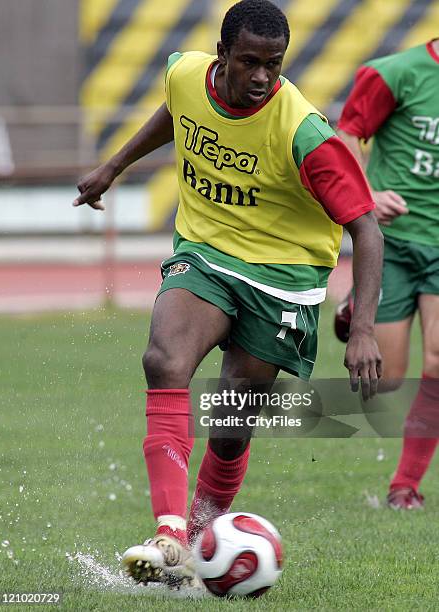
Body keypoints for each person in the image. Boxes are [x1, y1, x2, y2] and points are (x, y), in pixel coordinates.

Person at [74, 0, 382, 587]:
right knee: (164, 359)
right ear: (221, 56)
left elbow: (366, 228)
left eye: (274, 63)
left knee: (232, 414)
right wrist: (113, 166)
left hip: (284, 276)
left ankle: (196, 543)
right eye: (249, 61)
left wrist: (362, 328)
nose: (263, 76)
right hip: (206, 254)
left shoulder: (304, 131)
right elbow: (177, 112)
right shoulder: (185, 72)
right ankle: (168, 536)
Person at [334, 38, 439, 510]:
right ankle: (355, 308)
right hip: (393, 245)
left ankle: (405, 486)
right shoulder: (395, 73)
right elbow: (344, 136)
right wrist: (369, 192)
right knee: (389, 379)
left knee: (438, 362)